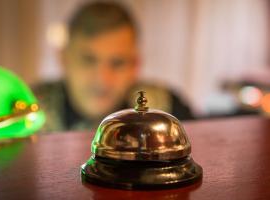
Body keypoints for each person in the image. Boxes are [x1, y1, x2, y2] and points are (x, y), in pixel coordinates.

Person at [35, 1, 194, 132]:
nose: (102, 79)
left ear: (135, 65)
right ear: (64, 59)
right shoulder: (27, 112)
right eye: (88, 60)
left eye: (118, 63)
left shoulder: (169, 110)